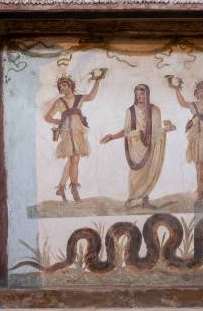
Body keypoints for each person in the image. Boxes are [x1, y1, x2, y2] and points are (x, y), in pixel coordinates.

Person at [100, 84, 169, 209]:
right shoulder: (130, 111)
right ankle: (132, 198)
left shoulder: (154, 110)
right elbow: (126, 130)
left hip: (150, 145)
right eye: (137, 94)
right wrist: (112, 136)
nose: (139, 96)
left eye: (142, 93)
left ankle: (145, 201)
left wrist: (166, 130)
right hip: (135, 146)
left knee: (148, 172)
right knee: (135, 173)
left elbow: (157, 129)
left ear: (147, 94)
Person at [44, 70, 106, 202]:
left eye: (64, 85)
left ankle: (61, 188)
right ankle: (74, 189)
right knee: (75, 160)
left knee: (72, 161)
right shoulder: (60, 102)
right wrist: (58, 121)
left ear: (70, 85)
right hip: (67, 132)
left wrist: (98, 81)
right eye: (61, 87)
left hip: (78, 132)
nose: (63, 88)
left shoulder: (79, 98)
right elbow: (47, 117)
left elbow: (91, 96)